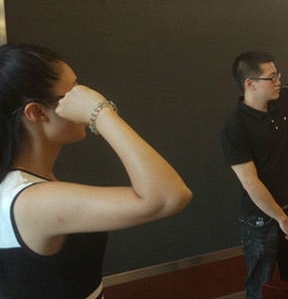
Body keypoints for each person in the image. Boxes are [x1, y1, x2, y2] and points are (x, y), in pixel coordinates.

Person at [0, 43, 193, 299]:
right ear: (37, 112)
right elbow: (169, 196)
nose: (84, 96)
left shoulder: (22, 187)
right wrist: (99, 112)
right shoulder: (30, 200)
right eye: (72, 91)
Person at [220, 22, 288, 299]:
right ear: (250, 83)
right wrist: (282, 219)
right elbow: (251, 183)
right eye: (271, 78)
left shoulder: (279, 103)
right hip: (260, 220)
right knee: (260, 286)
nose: (278, 82)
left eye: (278, 76)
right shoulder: (235, 127)